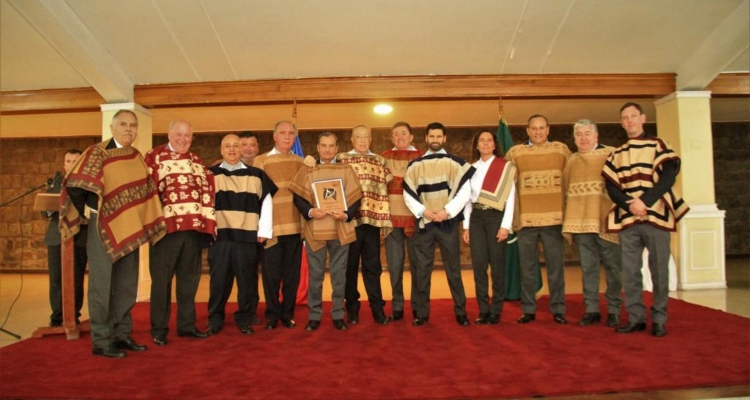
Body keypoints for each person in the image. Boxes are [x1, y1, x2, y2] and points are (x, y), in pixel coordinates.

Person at [60, 109, 166, 358]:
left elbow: (145, 190)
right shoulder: (98, 153)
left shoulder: (135, 156)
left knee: (126, 284)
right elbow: (75, 183)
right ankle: (101, 339)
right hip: (103, 228)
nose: (129, 129)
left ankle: (121, 334)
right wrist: (94, 207)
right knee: (102, 284)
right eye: (124, 124)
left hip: (131, 229)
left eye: (133, 125)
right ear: (113, 126)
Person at [603, 102, 689, 337]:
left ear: (642, 118)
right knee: (629, 271)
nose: (629, 120)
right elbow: (611, 187)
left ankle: (659, 318)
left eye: (633, 116)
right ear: (621, 123)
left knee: (659, 269)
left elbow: (668, 178)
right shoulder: (617, 153)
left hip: (656, 216)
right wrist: (630, 204)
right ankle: (636, 317)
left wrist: (645, 201)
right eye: (625, 117)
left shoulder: (659, 145)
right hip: (628, 219)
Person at [144, 119, 216, 346]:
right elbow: (147, 193)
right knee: (161, 282)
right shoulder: (154, 157)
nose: (183, 139)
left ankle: (186, 326)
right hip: (165, 232)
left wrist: (206, 227)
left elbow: (207, 192)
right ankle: (159, 329)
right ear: (169, 134)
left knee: (189, 281)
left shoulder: (197, 161)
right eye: (179, 134)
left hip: (192, 230)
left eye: (188, 136)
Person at [403, 122, 474, 326]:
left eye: (438, 136)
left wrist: (446, 212)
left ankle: (461, 312)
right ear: (426, 138)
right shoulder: (415, 165)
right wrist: (424, 211)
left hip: (447, 223)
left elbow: (465, 192)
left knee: (453, 270)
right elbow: (408, 194)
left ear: (445, 139)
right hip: (425, 224)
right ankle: (422, 314)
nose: (435, 140)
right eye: (431, 136)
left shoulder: (455, 163)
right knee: (422, 271)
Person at [206, 134, 277, 336]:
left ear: (241, 149)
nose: (231, 150)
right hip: (220, 239)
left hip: (247, 238)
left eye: (235, 146)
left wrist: (264, 230)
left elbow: (266, 203)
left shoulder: (257, 175)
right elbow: (205, 204)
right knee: (218, 282)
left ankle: (245, 318)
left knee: (247, 282)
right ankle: (215, 319)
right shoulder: (210, 174)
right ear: (221, 150)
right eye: (227, 146)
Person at [291, 132, 363, 331]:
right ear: (318, 147)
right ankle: (314, 315)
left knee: (339, 275)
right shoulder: (308, 169)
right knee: (316, 275)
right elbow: (298, 197)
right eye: (324, 145)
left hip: (340, 228)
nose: (328, 149)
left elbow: (357, 197)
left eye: (331, 146)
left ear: (337, 148)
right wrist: (311, 211)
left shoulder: (346, 169)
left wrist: (347, 214)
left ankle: (338, 314)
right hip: (316, 229)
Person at [506, 114, 571, 325]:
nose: (538, 132)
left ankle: (558, 308)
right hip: (526, 222)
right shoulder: (515, 153)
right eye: (533, 128)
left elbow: (571, 178)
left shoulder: (561, 151)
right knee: (527, 268)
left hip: (554, 220)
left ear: (548, 129)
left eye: (541, 128)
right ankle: (528, 309)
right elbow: (505, 182)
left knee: (556, 268)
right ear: (527, 130)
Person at [562, 119, 623, 327]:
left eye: (587, 133)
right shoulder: (571, 161)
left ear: (596, 136)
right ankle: (592, 309)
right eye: (579, 134)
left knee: (614, 268)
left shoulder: (611, 155)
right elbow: (566, 190)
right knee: (588, 269)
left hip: (607, 222)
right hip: (581, 223)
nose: (583, 138)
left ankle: (614, 310)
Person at [337, 124, 393, 325]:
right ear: (351, 139)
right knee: (349, 267)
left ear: (371, 139)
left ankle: (377, 308)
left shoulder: (379, 161)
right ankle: (352, 308)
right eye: (358, 137)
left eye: (366, 137)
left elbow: (387, 184)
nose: (362, 140)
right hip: (349, 221)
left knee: (373, 267)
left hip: (371, 221)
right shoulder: (341, 160)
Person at [253, 120, 305, 330]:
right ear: (274, 136)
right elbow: (255, 196)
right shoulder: (261, 161)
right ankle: (272, 315)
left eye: (291, 133)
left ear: (295, 137)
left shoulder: (301, 162)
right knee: (271, 276)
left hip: (295, 227)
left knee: (292, 276)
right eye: (282, 133)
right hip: (271, 229)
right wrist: (259, 227)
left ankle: (287, 314)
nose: (286, 136)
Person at [462, 131, 517, 325]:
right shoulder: (470, 168)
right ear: (476, 145)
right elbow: (467, 200)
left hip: (496, 217)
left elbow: (511, 198)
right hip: (476, 218)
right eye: (481, 141)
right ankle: (483, 309)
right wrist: (466, 226)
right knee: (479, 266)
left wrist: (505, 226)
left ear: (495, 145)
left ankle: (496, 310)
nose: (485, 144)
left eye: (489, 140)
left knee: (497, 266)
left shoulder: (504, 167)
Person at [381, 122, 423, 322]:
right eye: (395, 134)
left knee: (417, 267)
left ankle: (417, 307)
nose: (400, 137)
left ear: (411, 136)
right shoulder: (384, 158)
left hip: (417, 221)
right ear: (392, 138)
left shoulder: (422, 158)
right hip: (391, 221)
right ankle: (397, 306)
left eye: (403, 133)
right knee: (394, 267)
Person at [44, 149, 88, 327]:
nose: (71, 164)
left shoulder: (87, 186)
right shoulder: (55, 184)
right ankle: (57, 318)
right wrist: (50, 205)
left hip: (79, 239)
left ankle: (73, 315)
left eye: (75, 161)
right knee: (56, 279)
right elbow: (45, 211)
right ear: (64, 164)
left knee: (76, 278)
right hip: (57, 238)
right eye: (68, 161)